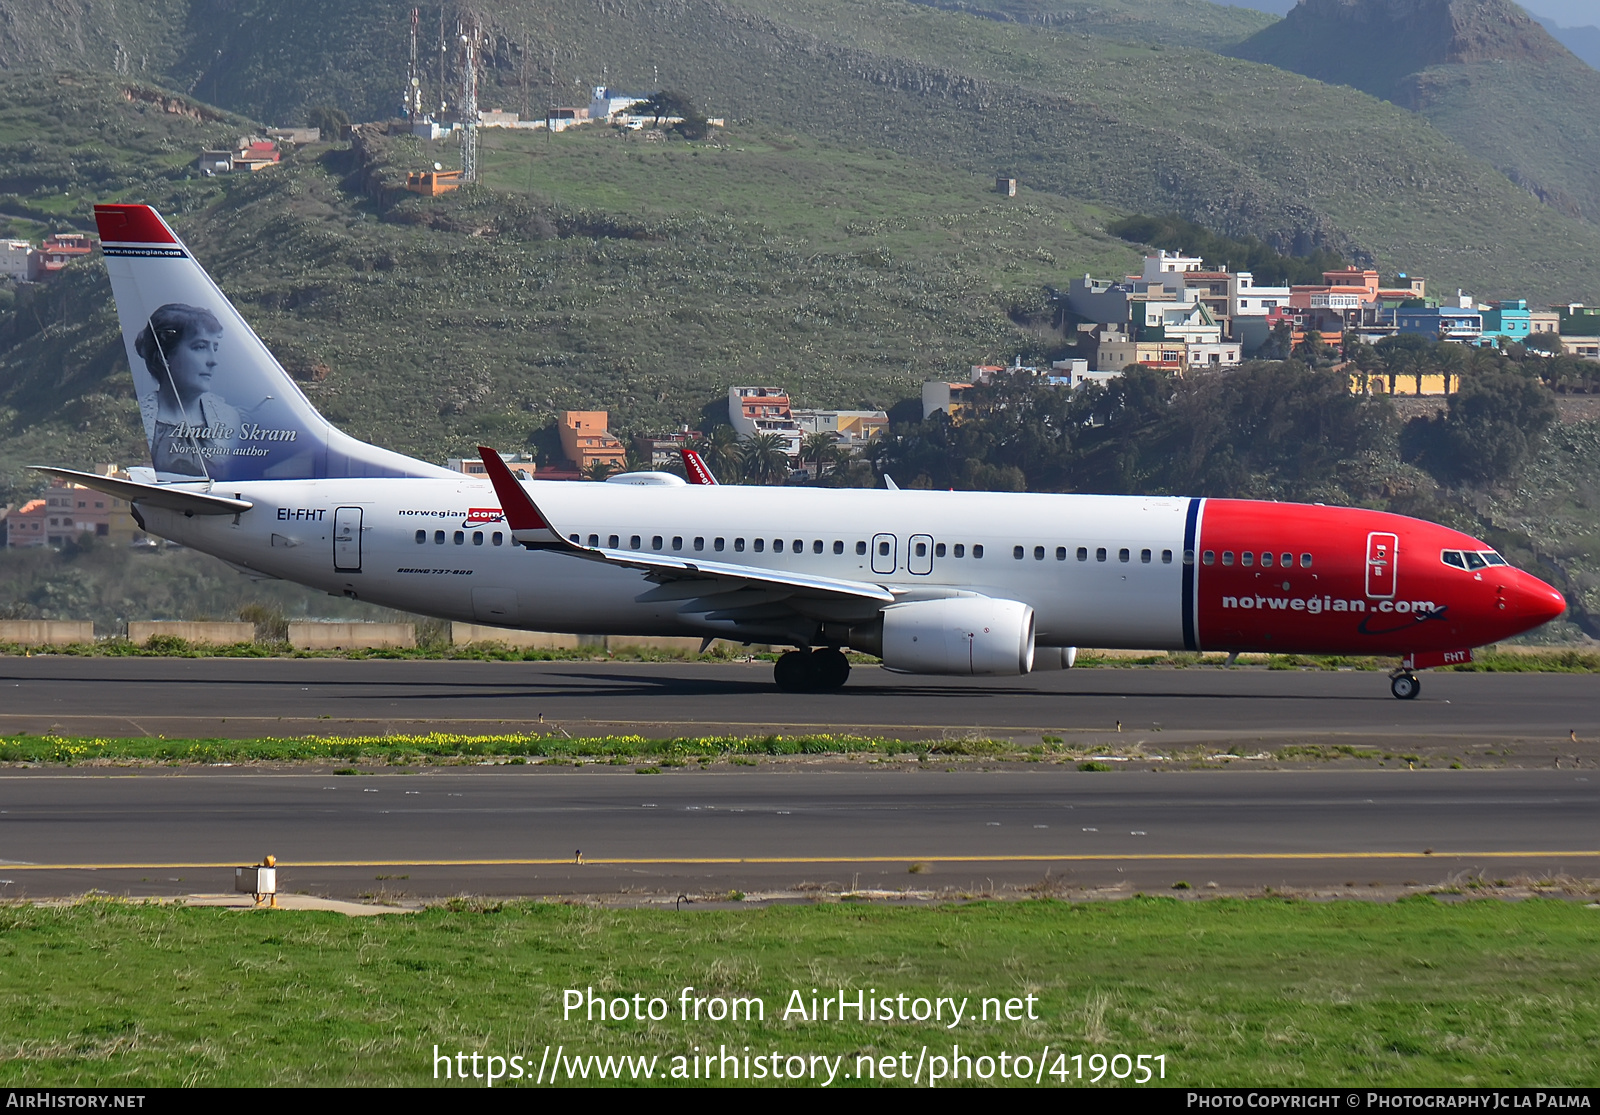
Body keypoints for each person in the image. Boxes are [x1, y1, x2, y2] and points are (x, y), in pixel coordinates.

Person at [134, 303, 241, 476]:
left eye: (215, 348)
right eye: (200, 347)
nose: (213, 361)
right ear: (165, 355)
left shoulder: (230, 418)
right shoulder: (140, 418)